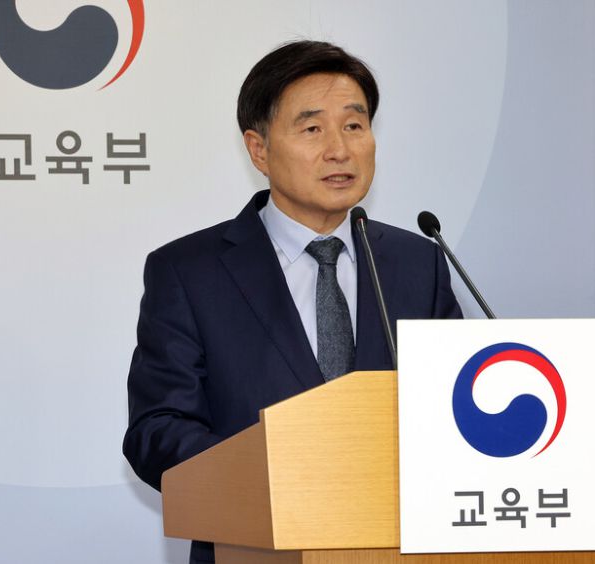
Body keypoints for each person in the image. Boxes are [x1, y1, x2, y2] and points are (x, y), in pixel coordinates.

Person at [123, 40, 462, 564]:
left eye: (354, 125)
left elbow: (457, 408)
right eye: (312, 129)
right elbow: (157, 430)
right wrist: (280, 476)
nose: (340, 150)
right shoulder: (189, 272)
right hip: (254, 548)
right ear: (258, 150)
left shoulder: (418, 263)